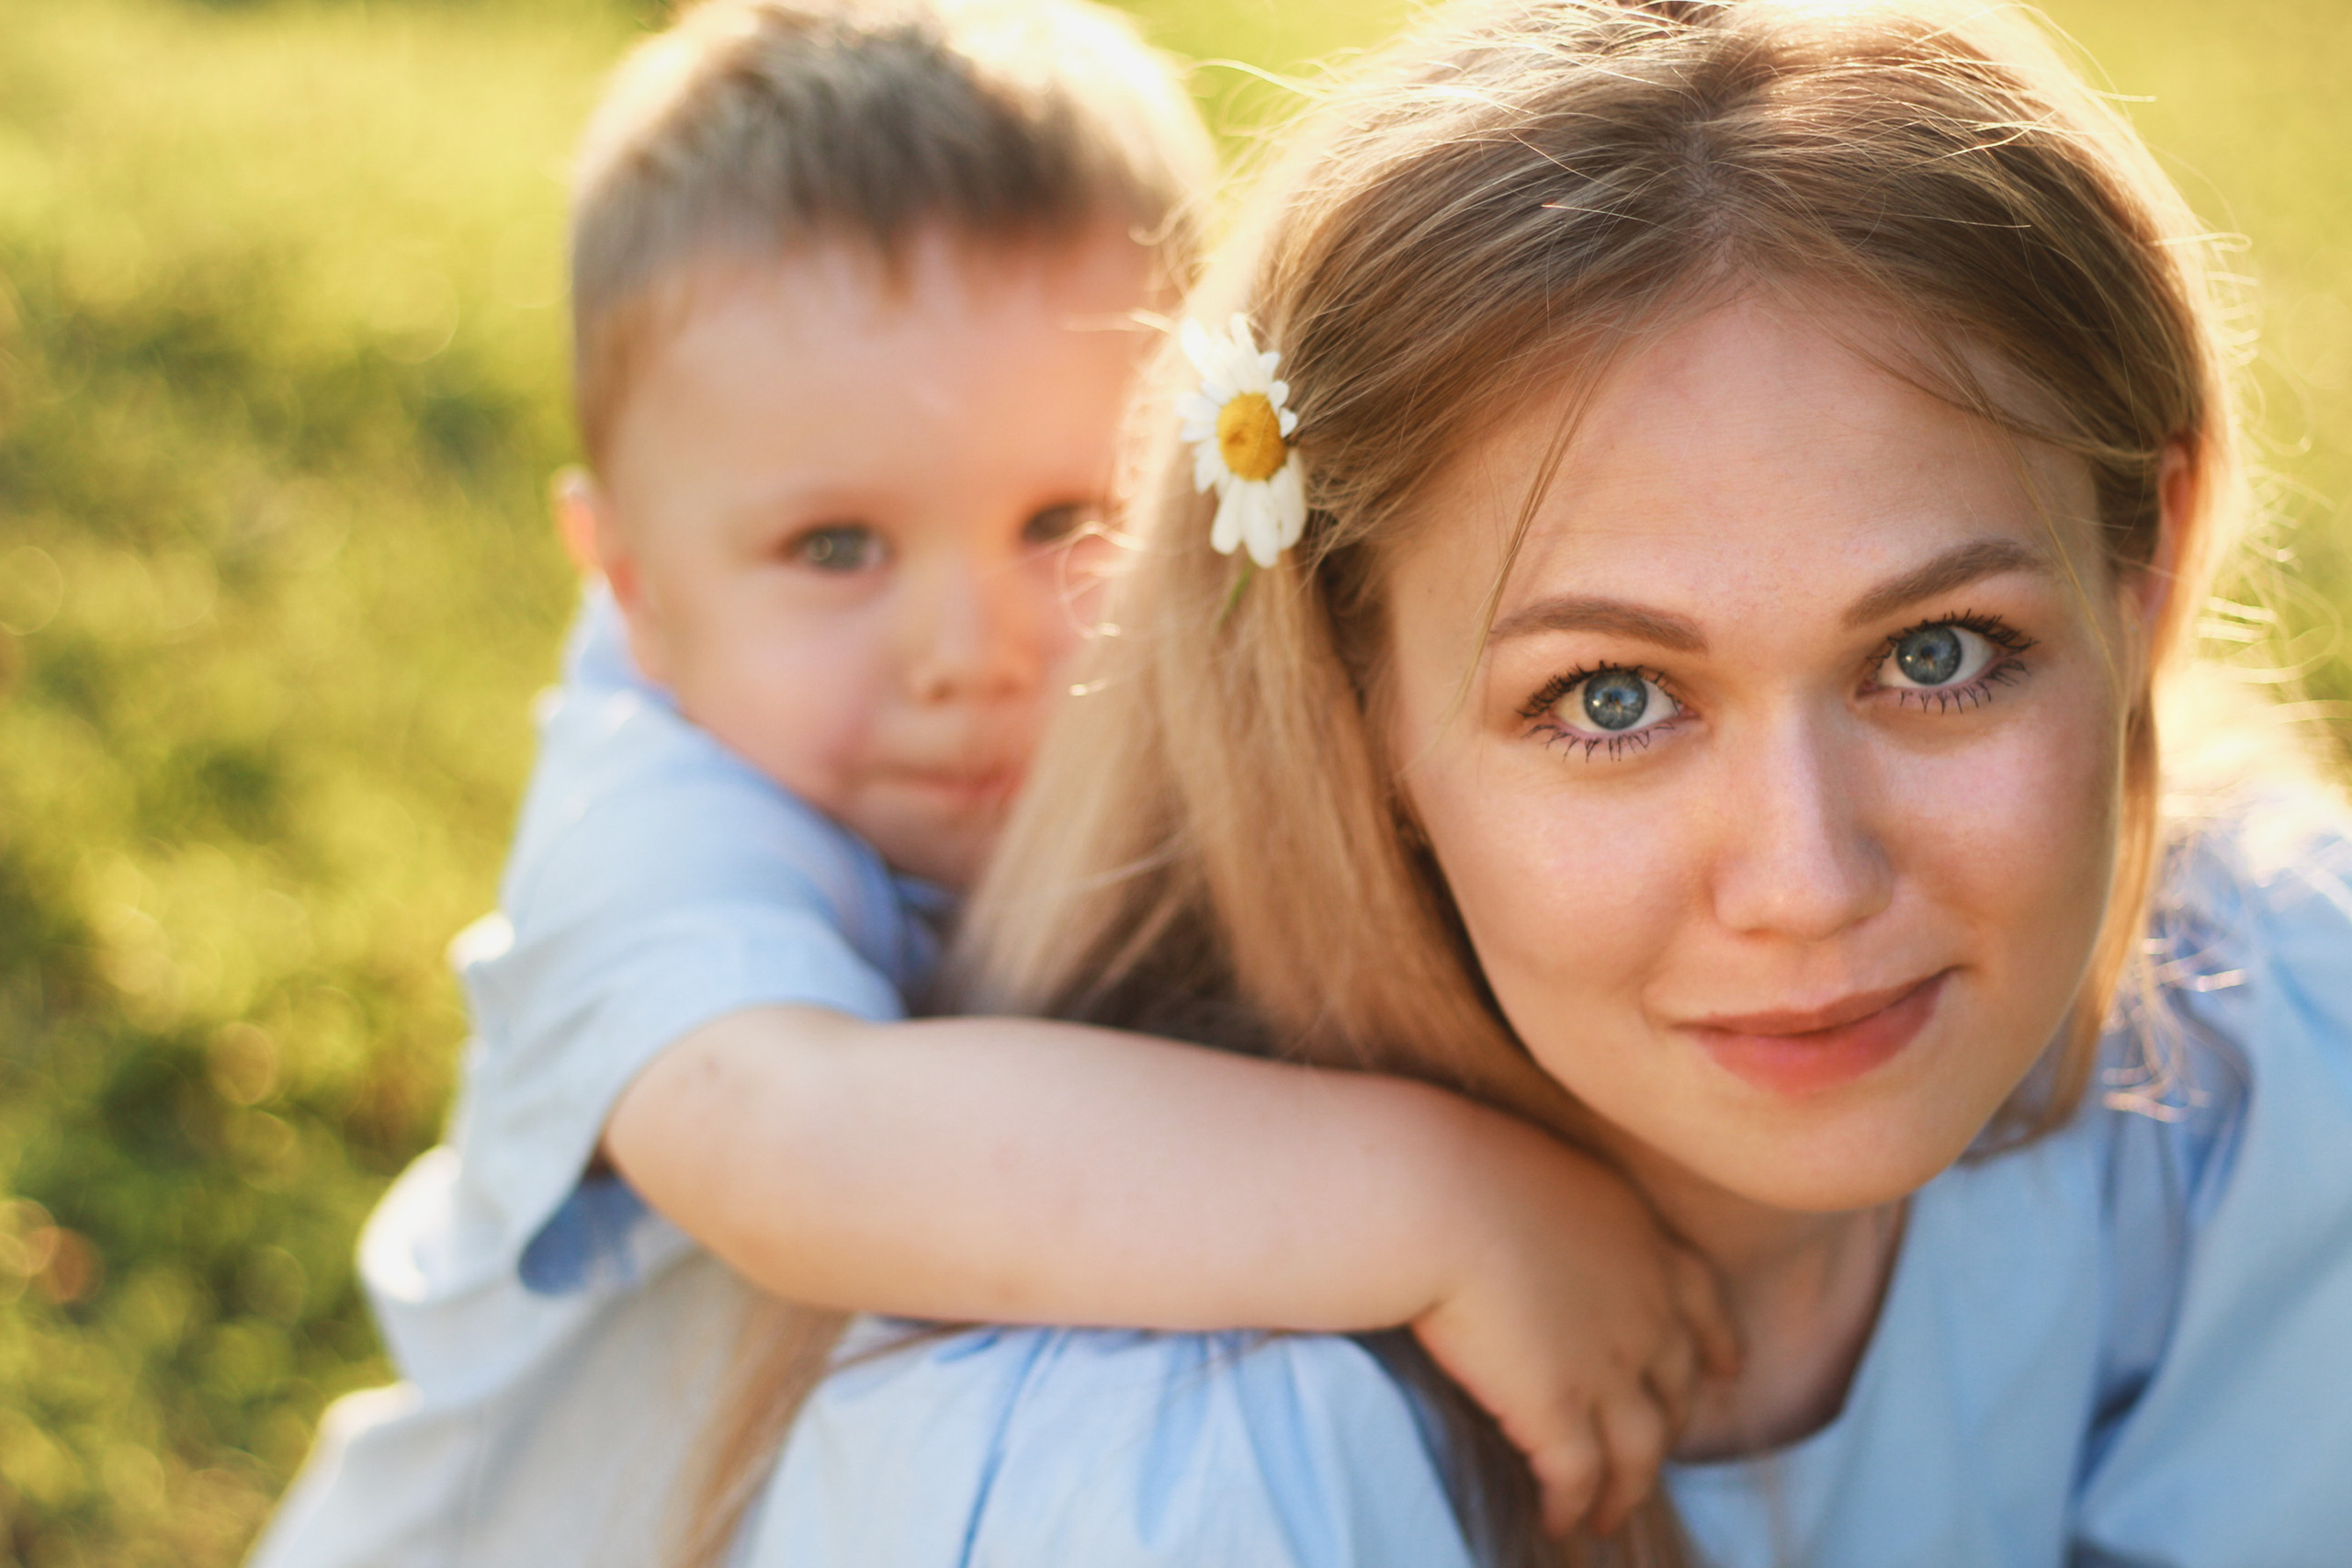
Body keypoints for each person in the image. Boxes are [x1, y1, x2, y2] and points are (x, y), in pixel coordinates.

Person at [689, 1, 2352, 1564]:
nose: (1808, 879)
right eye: (1611, 696)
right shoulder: (1174, 1485)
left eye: (1935, 655)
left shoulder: (2248, 1047)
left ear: (2147, 575)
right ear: (1356, 709)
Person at [250, 2, 1742, 1563]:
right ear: (628, 586)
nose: (971, 652)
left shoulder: (1191, 686)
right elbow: (792, 1142)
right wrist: (1451, 1207)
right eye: (836, 548)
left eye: (1063, 520)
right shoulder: (648, 819)